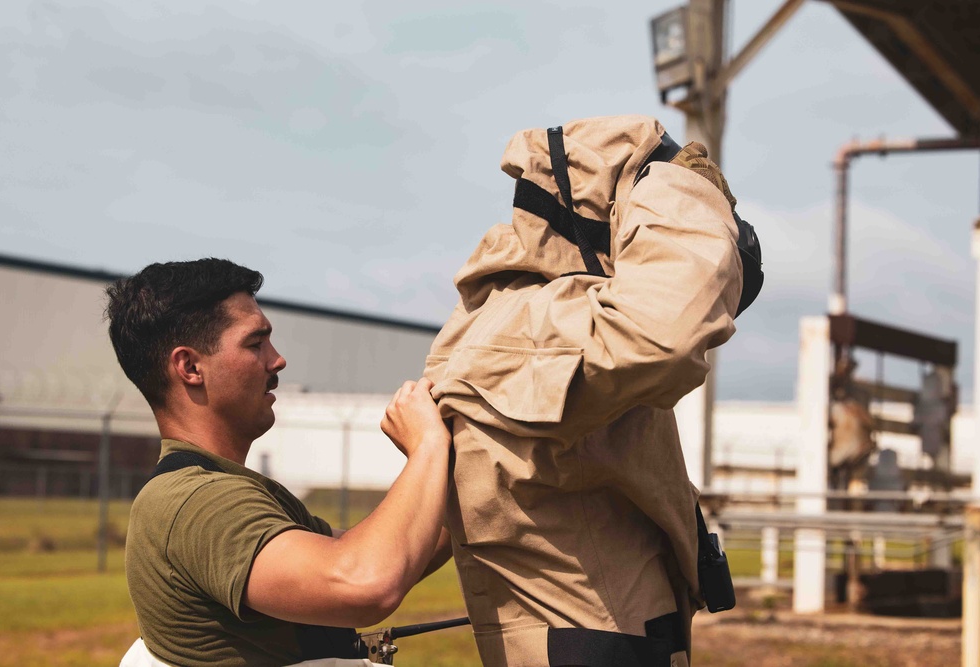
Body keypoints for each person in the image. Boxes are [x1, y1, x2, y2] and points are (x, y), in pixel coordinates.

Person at [424, 115, 759, 667]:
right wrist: (680, 187)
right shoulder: (543, 321)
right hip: (591, 641)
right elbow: (665, 336)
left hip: (612, 632)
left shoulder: (547, 323)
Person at [106, 258, 452, 667]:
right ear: (190, 367)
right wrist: (428, 445)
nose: (278, 360)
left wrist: (467, 471)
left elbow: (386, 552)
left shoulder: (227, 488)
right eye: (255, 344)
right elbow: (363, 581)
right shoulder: (197, 501)